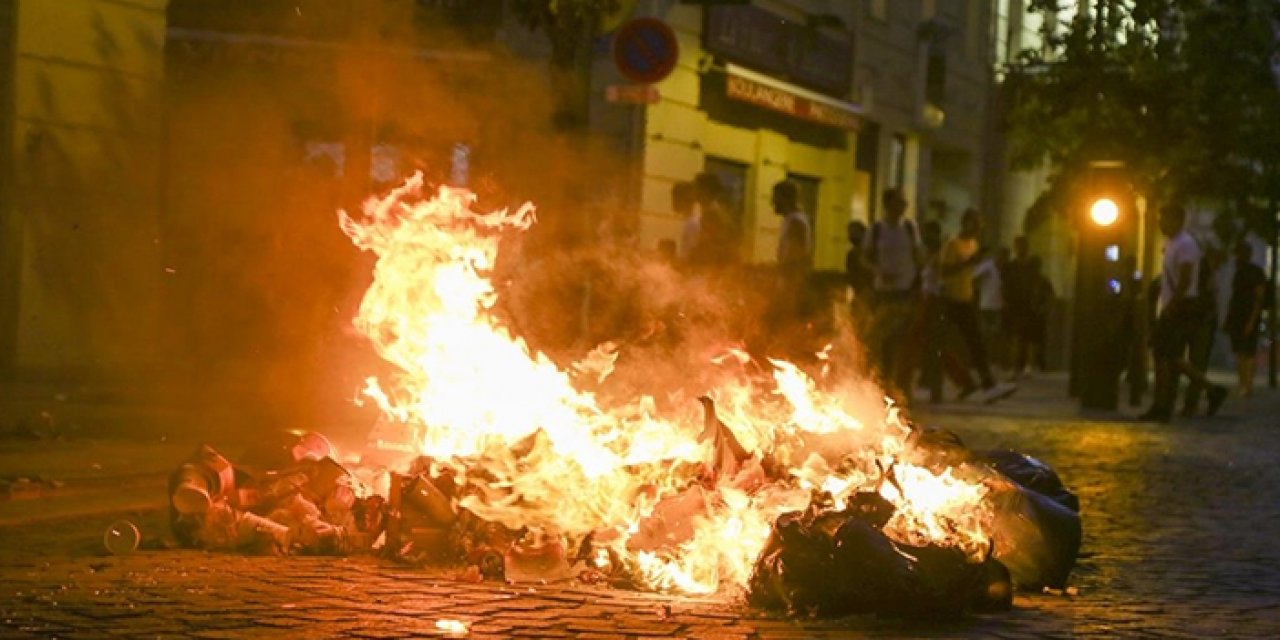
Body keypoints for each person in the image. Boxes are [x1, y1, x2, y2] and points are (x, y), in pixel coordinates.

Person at [1139, 204, 1228, 423]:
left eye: (1164, 219)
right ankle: (1164, 404)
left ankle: (1206, 391)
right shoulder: (1172, 244)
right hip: (1175, 306)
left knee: (1167, 355)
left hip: (1180, 307)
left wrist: (1173, 304)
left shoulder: (1186, 244)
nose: (1160, 223)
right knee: (1166, 356)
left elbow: (1187, 278)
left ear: (1177, 220)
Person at [938, 208, 1017, 403]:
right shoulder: (952, 245)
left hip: (966, 300)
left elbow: (971, 274)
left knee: (975, 344)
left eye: (980, 225)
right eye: (975, 223)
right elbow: (945, 271)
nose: (978, 229)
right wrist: (969, 263)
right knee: (940, 345)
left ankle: (986, 384)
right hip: (949, 301)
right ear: (965, 223)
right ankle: (962, 383)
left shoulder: (973, 245)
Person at [893, 220, 976, 404]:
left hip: (933, 302)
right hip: (927, 300)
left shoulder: (941, 254)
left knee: (922, 346)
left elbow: (942, 277)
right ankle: (959, 383)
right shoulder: (928, 254)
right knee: (932, 348)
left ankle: (909, 387)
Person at [868, 188, 923, 383]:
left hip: (905, 291)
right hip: (883, 292)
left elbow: (918, 256)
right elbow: (865, 257)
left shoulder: (909, 228)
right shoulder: (877, 229)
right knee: (883, 339)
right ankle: (883, 380)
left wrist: (918, 284)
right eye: (899, 201)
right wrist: (879, 271)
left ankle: (899, 383)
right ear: (888, 203)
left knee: (901, 339)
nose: (903, 206)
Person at [1181, 245, 1224, 415]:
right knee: (1195, 362)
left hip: (1200, 320)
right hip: (1199, 319)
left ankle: (1192, 403)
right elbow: (1208, 296)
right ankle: (1199, 398)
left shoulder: (1206, 271)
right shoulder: (1204, 270)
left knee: (1193, 361)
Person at [1224, 240, 1268, 397]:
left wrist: (1252, 320)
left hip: (1247, 317)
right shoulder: (1241, 271)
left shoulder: (1254, 272)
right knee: (1240, 352)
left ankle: (1247, 385)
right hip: (1238, 316)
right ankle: (1243, 383)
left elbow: (1259, 298)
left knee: (1247, 353)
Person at [686, 172, 738, 266]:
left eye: (696, 187)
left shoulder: (712, 215)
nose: (692, 191)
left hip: (714, 268)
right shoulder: (713, 211)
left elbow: (710, 246)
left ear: (705, 190)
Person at [1014, 255, 1053, 374]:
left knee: (1031, 341)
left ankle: (1032, 364)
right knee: (1028, 341)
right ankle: (1025, 364)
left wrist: (1043, 308)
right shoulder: (1028, 280)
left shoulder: (1040, 280)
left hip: (1034, 314)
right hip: (1028, 313)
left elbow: (1049, 297)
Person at [973, 246, 1006, 369]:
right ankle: (984, 360)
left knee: (994, 335)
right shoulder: (988, 266)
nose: (1002, 259)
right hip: (986, 305)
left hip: (996, 306)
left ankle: (991, 360)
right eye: (1001, 256)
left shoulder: (999, 269)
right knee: (986, 334)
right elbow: (975, 275)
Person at [772, 180, 812, 277]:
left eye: (776, 197)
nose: (772, 201)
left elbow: (794, 257)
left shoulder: (795, 221)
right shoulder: (791, 220)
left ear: (787, 198)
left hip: (792, 280)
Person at [671, 181, 699, 260]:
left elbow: (690, 254)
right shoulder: (687, 222)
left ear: (685, 200)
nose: (673, 202)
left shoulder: (692, 224)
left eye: (676, 198)